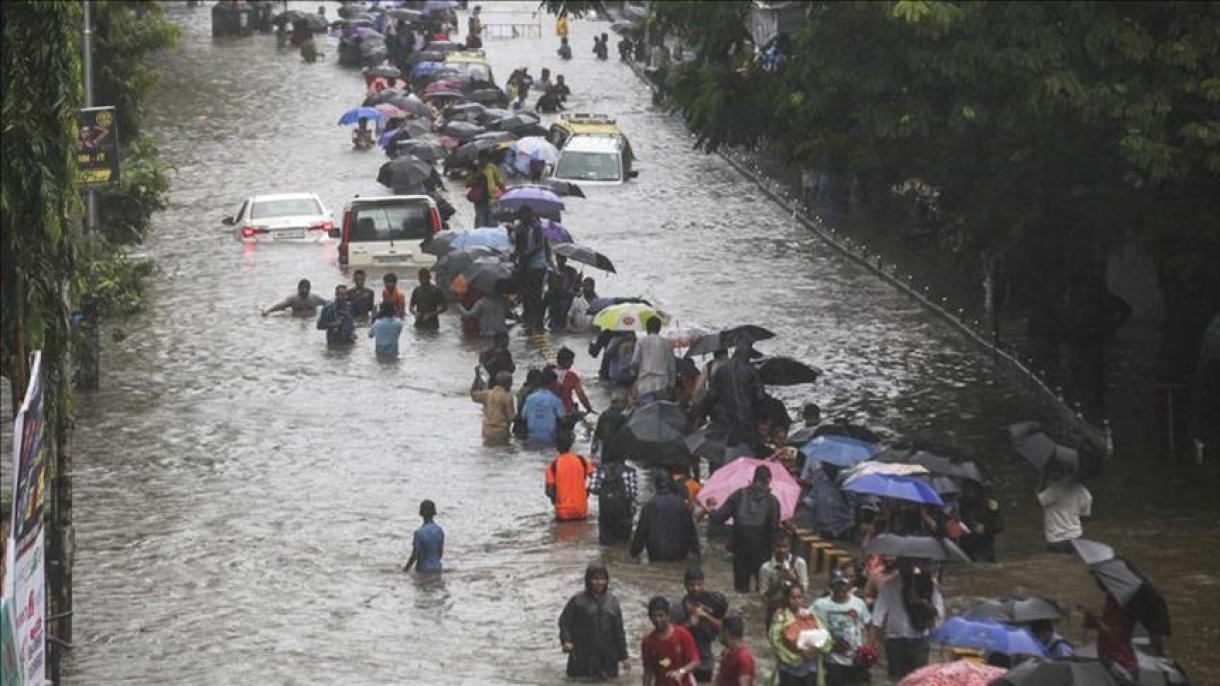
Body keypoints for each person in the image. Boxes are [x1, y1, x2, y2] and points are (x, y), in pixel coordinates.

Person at [708, 466, 781, 593]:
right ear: (769, 479)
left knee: (741, 590)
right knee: (763, 590)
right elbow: (774, 529)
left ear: (753, 478)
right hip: (763, 549)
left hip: (740, 548)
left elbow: (717, 519)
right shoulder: (773, 501)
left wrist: (711, 508)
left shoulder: (738, 495)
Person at [870, 562, 943, 681]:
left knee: (919, 679)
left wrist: (921, 602)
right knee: (895, 678)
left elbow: (939, 611)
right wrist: (870, 645)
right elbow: (877, 616)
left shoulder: (928, 584)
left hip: (919, 638)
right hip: (895, 639)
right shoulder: (889, 585)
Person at [559, 562, 629, 680]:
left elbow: (618, 631)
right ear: (588, 580)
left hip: (607, 657)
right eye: (595, 579)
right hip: (582, 656)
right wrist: (566, 640)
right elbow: (564, 622)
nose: (599, 582)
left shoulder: (613, 602)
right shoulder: (577, 601)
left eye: (603, 579)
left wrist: (624, 656)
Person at [812, 570, 872, 686]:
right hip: (833, 659)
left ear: (849, 585)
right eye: (837, 585)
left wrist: (868, 649)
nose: (840, 588)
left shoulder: (858, 603)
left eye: (843, 584)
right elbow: (807, 621)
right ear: (831, 586)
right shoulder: (821, 605)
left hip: (856, 659)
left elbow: (869, 625)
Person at [672, 567, 729, 683]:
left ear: (703, 583)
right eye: (691, 585)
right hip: (684, 660)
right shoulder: (678, 608)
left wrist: (706, 617)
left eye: (699, 585)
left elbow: (725, 629)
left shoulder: (712, 603)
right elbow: (671, 635)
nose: (696, 589)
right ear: (685, 585)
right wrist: (690, 622)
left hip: (705, 660)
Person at [630, 472, 701, 562]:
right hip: (679, 554)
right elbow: (691, 530)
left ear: (656, 485)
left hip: (656, 553)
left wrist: (634, 553)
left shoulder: (649, 506)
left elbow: (640, 532)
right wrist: (696, 551)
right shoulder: (681, 505)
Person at [768, 582, 829, 686]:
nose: (796, 600)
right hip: (790, 670)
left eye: (799, 597)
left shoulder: (810, 615)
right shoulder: (781, 618)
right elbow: (775, 641)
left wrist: (818, 649)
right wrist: (798, 655)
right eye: (793, 597)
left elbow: (826, 636)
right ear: (787, 598)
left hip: (810, 669)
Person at [642, 596, 701, 686]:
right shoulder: (648, 642)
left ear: (668, 615)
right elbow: (648, 672)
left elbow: (695, 661)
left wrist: (681, 672)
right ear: (650, 617)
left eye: (661, 615)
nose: (657, 620)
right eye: (654, 616)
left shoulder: (682, 634)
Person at [586, 444, 638, 544]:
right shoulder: (630, 472)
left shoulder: (600, 470)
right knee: (623, 545)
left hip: (606, 517)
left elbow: (593, 489)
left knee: (606, 547)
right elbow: (633, 493)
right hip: (624, 517)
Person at [511, 207, 551, 333]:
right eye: (522, 215)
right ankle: (528, 319)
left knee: (536, 294)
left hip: (537, 265)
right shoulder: (519, 228)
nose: (524, 218)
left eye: (526, 215)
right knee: (526, 294)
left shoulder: (537, 227)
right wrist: (515, 256)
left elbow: (540, 245)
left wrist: (528, 253)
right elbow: (518, 246)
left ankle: (538, 322)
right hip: (525, 265)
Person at [1037, 465, 1092, 552]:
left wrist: (1043, 480)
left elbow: (1038, 501)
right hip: (1077, 539)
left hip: (1056, 540)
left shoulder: (1054, 490)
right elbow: (1085, 515)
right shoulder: (1083, 491)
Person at [545, 431, 594, 520]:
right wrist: (587, 491)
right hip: (581, 510)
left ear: (557, 446)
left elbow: (549, 491)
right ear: (571, 445)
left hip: (562, 513)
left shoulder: (552, 466)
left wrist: (556, 500)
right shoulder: (582, 461)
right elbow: (594, 478)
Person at [759, 535, 809, 621]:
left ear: (789, 547)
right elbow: (764, 596)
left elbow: (804, 590)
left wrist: (794, 578)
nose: (782, 550)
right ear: (773, 547)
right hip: (775, 610)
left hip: (795, 610)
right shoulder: (766, 568)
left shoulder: (800, 563)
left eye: (785, 547)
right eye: (778, 546)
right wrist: (779, 580)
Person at [634, 316, 676, 405]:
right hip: (662, 383)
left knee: (647, 413)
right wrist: (672, 384)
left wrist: (634, 375)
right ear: (659, 328)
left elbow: (635, 362)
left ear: (647, 328)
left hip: (645, 384)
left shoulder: (641, 341)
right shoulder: (667, 343)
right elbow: (671, 366)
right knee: (660, 414)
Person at [471, 369, 515, 444]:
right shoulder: (507, 397)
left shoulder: (487, 394)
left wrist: (477, 378)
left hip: (486, 431)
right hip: (501, 432)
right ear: (508, 384)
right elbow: (510, 417)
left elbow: (473, 395)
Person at [523, 370, 567, 445]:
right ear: (552, 383)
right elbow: (564, 420)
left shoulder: (530, 398)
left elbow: (523, 416)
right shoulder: (555, 400)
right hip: (549, 440)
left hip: (532, 439)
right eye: (556, 382)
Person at [402, 499, 444, 574]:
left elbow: (415, 555)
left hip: (423, 569)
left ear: (421, 513)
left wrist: (405, 569)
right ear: (434, 513)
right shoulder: (439, 531)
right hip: (437, 568)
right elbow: (440, 553)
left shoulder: (419, 533)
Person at [466, 151, 506, 228]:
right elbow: (467, 184)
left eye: (486, 158)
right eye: (482, 158)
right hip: (479, 199)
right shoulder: (475, 168)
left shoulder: (491, 167)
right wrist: (476, 175)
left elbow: (499, 181)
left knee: (492, 219)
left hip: (491, 198)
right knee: (480, 219)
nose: (484, 160)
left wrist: (504, 193)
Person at [715, 616, 756, 686]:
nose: (720, 635)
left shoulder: (743, 657)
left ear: (726, 632)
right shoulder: (727, 653)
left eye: (721, 631)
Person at [554, 346, 594, 416]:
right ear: (565, 361)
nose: (572, 363)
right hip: (567, 409)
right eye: (571, 360)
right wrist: (589, 409)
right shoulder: (571, 376)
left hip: (551, 409)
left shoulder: (549, 373)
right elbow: (581, 395)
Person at [545, 255, 579, 330]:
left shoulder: (571, 271)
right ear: (556, 259)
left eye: (562, 258)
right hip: (554, 297)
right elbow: (549, 285)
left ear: (566, 259)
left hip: (567, 297)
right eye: (559, 258)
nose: (561, 260)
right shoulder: (551, 271)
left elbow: (575, 285)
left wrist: (577, 281)